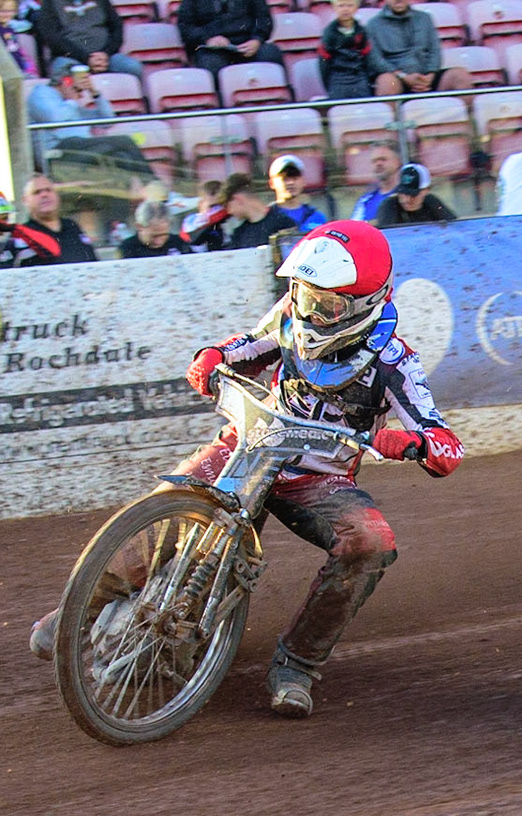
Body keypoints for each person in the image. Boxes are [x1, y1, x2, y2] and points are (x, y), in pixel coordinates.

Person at [27, 223, 463, 717]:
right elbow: (246, 347)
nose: (310, 311)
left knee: (372, 543)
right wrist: (212, 357)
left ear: (366, 304)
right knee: (167, 515)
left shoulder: (395, 363)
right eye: (304, 294)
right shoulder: (290, 316)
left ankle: (297, 665)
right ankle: (76, 613)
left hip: (318, 478)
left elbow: (447, 445)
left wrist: (411, 443)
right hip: (252, 445)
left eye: (327, 305)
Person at [368, 0, 470, 95]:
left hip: (427, 78)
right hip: (397, 79)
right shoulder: (373, 24)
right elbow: (376, 60)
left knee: (460, 75)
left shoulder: (425, 18)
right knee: (387, 82)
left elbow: (434, 51)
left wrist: (430, 75)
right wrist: (403, 76)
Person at [36, 0, 144, 79]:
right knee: (62, 73)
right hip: (71, 58)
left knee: (133, 67)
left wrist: (106, 53)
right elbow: (53, 39)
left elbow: (116, 27)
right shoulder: (50, 3)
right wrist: (86, 58)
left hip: (107, 56)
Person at [189, 172, 297, 250]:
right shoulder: (239, 234)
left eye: (227, 206)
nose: (229, 212)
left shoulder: (283, 223)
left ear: (237, 199)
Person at [174, 0, 284, 75]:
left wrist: (257, 39)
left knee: (270, 53)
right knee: (211, 64)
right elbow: (185, 26)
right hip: (213, 49)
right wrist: (208, 39)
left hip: (248, 43)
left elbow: (264, 19)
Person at [9, 172, 97, 266]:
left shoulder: (72, 227)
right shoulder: (20, 235)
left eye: (49, 190)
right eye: (37, 192)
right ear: (25, 200)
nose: (44, 195)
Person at [318, 0, 389, 99]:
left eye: (350, 5)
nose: (345, 9)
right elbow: (323, 62)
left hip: (360, 78)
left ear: (356, 8)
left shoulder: (362, 31)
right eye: (341, 6)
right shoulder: (329, 33)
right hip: (338, 79)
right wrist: (329, 84)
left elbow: (368, 58)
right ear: (334, 8)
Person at [374, 162, 456, 225]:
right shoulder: (389, 206)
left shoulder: (432, 202)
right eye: (402, 193)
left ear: (426, 191)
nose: (406, 200)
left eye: (413, 195)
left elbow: (453, 226)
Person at [269, 154, 329, 232]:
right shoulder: (266, 218)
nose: (291, 183)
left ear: (304, 181)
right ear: (272, 183)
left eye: (295, 178)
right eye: (285, 179)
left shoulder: (316, 217)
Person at [117, 197, 192, 256]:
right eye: (154, 236)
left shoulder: (179, 244)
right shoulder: (127, 249)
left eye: (163, 235)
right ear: (139, 227)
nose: (159, 242)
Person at [349, 143, 401, 222]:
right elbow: (355, 227)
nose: (378, 164)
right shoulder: (365, 201)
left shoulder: (408, 196)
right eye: (374, 161)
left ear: (397, 162)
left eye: (383, 159)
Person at [0, 0, 42, 78]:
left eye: (10, 10)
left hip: (18, 69)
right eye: (2, 11)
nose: (6, 14)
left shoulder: (10, 30)